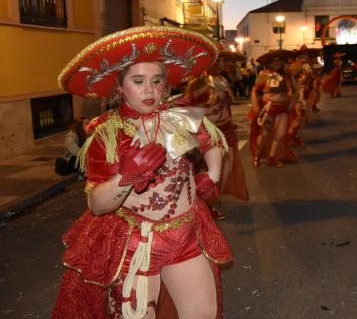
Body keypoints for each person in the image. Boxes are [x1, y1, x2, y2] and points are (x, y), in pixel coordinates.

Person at [52, 26, 232, 319]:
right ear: (120, 87)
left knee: (202, 314)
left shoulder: (177, 119)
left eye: (157, 81)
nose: (150, 90)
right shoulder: (108, 136)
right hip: (137, 244)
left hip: (185, 234)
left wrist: (211, 176)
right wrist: (126, 176)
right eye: (138, 81)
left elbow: (212, 140)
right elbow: (97, 205)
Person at [184, 50, 249, 220]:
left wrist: (231, 120)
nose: (223, 63)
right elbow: (190, 109)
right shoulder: (197, 83)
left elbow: (228, 103)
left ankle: (213, 200)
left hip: (226, 128)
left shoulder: (222, 80)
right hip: (208, 130)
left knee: (227, 168)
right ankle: (206, 205)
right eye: (219, 60)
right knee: (210, 170)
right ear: (209, 62)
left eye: (223, 59)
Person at [249, 50, 297, 167]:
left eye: (279, 60)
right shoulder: (264, 75)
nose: (277, 63)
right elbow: (255, 90)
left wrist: (291, 104)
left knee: (280, 135)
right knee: (264, 134)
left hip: (282, 108)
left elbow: (294, 92)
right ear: (270, 63)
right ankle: (257, 155)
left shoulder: (286, 75)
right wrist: (255, 104)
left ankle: (272, 157)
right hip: (268, 108)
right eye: (275, 61)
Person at [287, 47, 314, 146]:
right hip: (296, 95)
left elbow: (311, 79)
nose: (306, 56)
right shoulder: (292, 67)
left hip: (305, 94)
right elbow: (289, 80)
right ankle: (290, 137)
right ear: (298, 57)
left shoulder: (307, 66)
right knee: (296, 117)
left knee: (303, 117)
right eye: (304, 55)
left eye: (307, 55)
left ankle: (298, 137)